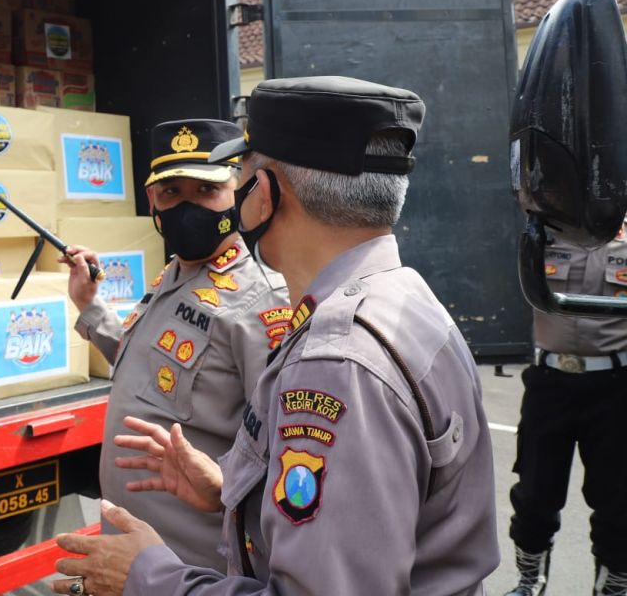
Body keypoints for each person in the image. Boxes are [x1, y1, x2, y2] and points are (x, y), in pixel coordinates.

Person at [52, 76, 499, 596]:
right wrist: (233, 491)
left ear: (261, 195)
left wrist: (147, 579)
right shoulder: (405, 300)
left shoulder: (335, 362)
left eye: (238, 173)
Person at [59, 119, 289, 573]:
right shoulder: (176, 274)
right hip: (135, 556)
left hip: (193, 569)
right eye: (171, 194)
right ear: (152, 201)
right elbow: (149, 364)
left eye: (205, 192)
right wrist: (90, 305)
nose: (186, 209)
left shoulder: (261, 301)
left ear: (238, 193)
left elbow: (284, 453)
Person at [503, 224, 627, 595]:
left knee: (618, 502)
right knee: (535, 493)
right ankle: (529, 581)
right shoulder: (541, 234)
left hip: (615, 387)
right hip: (551, 382)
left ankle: (613, 588)